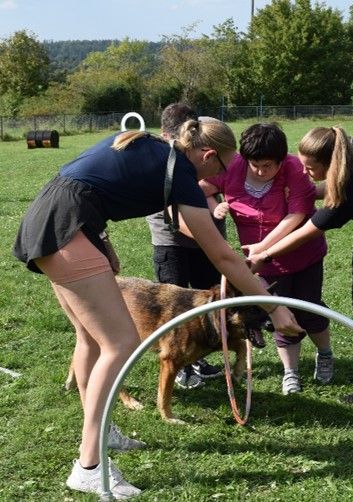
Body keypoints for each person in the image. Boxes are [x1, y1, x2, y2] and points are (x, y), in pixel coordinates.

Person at [12, 119, 302, 499]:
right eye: (222, 167)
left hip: (52, 218)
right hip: (67, 227)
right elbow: (222, 257)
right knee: (119, 343)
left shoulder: (152, 148)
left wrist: (103, 243)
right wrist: (274, 309)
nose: (218, 177)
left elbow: (87, 181)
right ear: (208, 155)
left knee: (91, 340)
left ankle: (102, 432)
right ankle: (89, 467)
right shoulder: (182, 174)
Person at [246, 126, 353, 404]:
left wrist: (264, 255)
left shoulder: (349, 189)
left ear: (330, 162)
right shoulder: (351, 149)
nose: (305, 173)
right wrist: (298, 195)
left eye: (310, 168)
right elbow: (324, 188)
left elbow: (307, 232)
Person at [201, 123, 333, 395]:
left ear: (281, 159)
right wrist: (216, 205)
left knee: (310, 309)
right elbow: (202, 186)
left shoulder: (294, 168)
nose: (261, 171)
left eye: (268, 166)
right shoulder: (233, 167)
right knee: (278, 312)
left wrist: (262, 247)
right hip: (263, 264)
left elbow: (297, 215)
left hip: (302, 254)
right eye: (255, 165)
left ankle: (325, 353)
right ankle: (290, 372)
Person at [147, 103, 225, 389]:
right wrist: (211, 241)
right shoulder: (162, 161)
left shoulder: (203, 153)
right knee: (174, 308)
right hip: (172, 245)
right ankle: (180, 365)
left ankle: (198, 357)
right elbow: (172, 217)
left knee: (208, 301)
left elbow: (214, 185)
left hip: (206, 242)